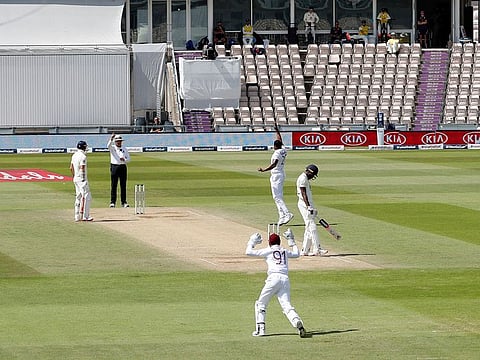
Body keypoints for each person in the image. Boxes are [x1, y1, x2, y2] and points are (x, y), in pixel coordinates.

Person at [245, 229, 307, 338]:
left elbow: (248, 252)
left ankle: (261, 330)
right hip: (285, 280)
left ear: (270, 243)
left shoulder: (268, 251)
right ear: (279, 242)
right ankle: (297, 322)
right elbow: (297, 253)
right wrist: (291, 241)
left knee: (261, 304)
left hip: (273, 279)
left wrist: (252, 242)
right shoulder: (284, 251)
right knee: (287, 305)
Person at [258, 124, 294, 226]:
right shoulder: (283, 150)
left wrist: (263, 170)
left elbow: (274, 164)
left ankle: (287, 214)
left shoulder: (276, 154)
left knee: (277, 198)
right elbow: (279, 139)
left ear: (275, 146)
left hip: (276, 176)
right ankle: (282, 217)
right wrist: (277, 130)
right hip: (281, 174)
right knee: (278, 197)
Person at [296, 164, 328, 256]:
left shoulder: (305, 178)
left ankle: (305, 250)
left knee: (308, 227)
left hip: (307, 205)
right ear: (310, 172)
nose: (313, 177)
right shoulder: (302, 179)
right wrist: (309, 207)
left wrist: (312, 207)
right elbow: (303, 194)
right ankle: (317, 249)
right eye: (313, 175)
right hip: (304, 205)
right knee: (312, 226)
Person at [70, 140, 93, 222]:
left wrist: (74, 177)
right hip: (81, 179)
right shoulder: (83, 156)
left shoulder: (74, 155)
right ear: (84, 147)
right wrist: (83, 180)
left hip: (76, 178)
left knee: (78, 196)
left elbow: (71, 168)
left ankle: (77, 216)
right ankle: (85, 216)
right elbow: (82, 168)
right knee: (87, 197)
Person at [107, 134, 131, 208]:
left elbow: (129, 159)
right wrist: (111, 139)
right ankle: (112, 202)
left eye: (120, 141)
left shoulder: (124, 149)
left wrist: (125, 160)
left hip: (123, 167)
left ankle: (124, 202)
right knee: (114, 185)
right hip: (114, 166)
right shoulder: (113, 148)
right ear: (115, 142)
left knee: (123, 185)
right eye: (117, 141)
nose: (119, 143)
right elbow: (108, 146)